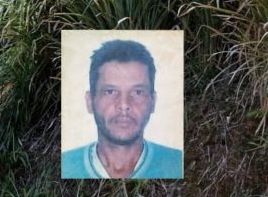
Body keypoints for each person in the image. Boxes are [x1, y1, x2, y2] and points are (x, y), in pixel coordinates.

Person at [61, 39, 183, 179]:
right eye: (110, 92)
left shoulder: (178, 164)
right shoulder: (64, 166)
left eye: (137, 92)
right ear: (90, 102)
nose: (124, 105)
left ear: (153, 102)